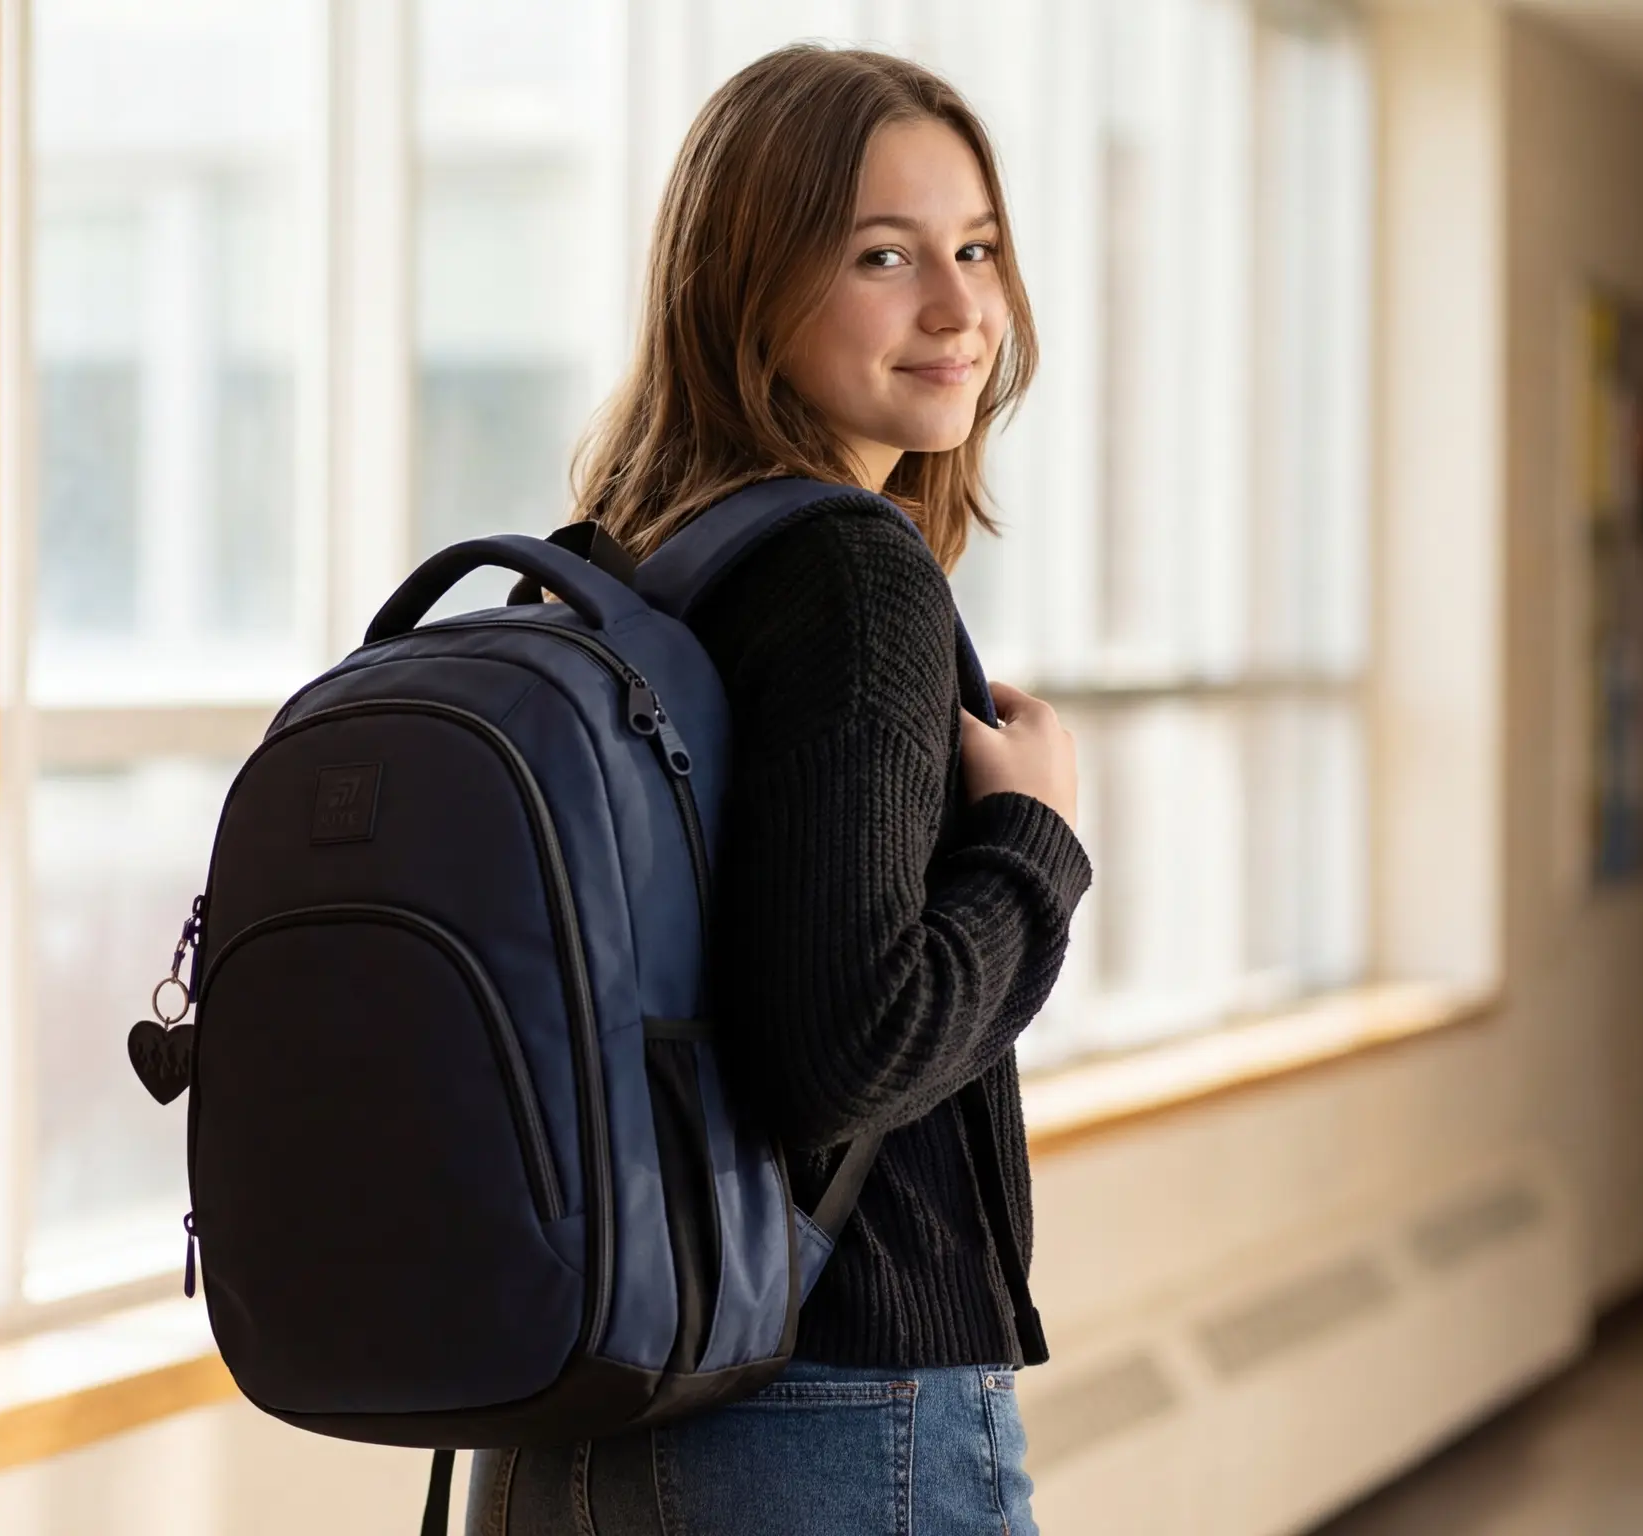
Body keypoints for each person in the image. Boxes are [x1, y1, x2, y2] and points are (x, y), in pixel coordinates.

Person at [464, 44, 1093, 1536]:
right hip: (822, 1410)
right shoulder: (849, 573)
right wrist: (1035, 846)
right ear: (747, 285)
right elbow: (848, 1048)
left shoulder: (613, 562)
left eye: (978, 248)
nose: (959, 308)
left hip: (574, 1403)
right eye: (886, 255)